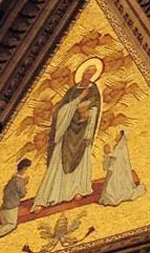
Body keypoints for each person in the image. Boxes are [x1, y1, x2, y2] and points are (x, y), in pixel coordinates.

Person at [34, 59, 103, 208]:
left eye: (92, 73)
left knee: (80, 159)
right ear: (82, 73)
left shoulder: (94, 89)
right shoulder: (72, 91)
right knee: (59, 161)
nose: (88, 75)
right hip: (67, 132)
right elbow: (60, 110)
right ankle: (56, 194)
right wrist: (77, 102)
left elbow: (96, 106)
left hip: (83, 131)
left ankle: (77, 189)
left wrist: (89, 112)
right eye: (87, 72)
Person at [0, 158, 32, 246]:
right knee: (12, 225)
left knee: (5, 224)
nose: (26, 171)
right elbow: (22, 194)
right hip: (11, 207)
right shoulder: (18, 181)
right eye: (26, 169)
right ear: (23, 168)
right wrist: (24, 183)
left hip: (4, 208)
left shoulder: (12, 180)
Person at [98, 130, 144, 205]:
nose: (116, 136)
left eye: (118, 135)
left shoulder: (121, 148)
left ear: (122, 137)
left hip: (118, 172)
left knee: (113, 187)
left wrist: (108, 153)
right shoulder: (118, 147)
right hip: (115, 171)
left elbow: (116, 160)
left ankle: (113, 197)